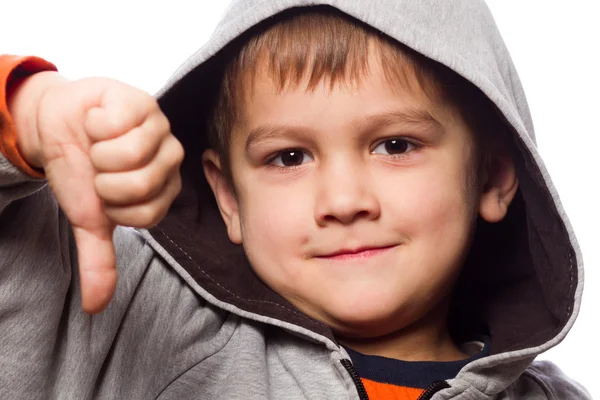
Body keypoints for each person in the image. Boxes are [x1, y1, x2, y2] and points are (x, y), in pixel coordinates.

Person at [0, 1, 590, 399]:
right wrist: (29, 111)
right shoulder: (150, 328)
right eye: (289, 157)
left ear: (491, 177)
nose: (342, 200)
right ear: (227, 196)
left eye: (394, 144)